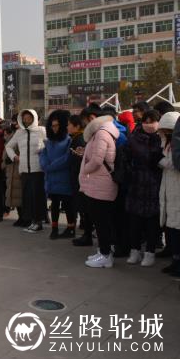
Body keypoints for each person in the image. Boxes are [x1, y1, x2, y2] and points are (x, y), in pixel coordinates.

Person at [124, 109, 163, 267]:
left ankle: (150, 252)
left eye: (151, 121)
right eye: (145, 121)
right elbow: (126, 156)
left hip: (155, 184)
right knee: (135, 220)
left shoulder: (161, 138)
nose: (148, 124)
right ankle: (135, 250)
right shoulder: (133, 137)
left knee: (152, 221)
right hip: (137, 183)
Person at [81, 114, 119, 268]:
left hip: (101, 184)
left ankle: (105, 255)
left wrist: (85, 168)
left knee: (101, 222)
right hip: (99, 182)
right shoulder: (103, 132)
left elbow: (97, 160)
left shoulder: (101, 133)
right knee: (101, 221)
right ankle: (103, 251)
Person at [5, 109, 47, 233]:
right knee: (27, 197)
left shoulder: (42, 131)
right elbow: (8, 146)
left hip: (38, 169)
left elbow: (50, 144)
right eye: (24, 118)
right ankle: (31, 221)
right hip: (24, 170)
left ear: (34, 118)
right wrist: (14, 157)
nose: (26, 120)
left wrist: (42, 151)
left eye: (29, 117)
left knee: (37, 197)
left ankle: (38, 222)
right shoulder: (19, 132)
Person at [39, 110, 74, 239]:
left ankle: (71, 228)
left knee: (68, 205)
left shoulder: (69, 140)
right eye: (52, 126)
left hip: (64, 179)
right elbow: (43, 155)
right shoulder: (49, 141)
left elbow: (67, 158)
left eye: (56, 125)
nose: (54, 128)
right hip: (52, 179)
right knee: (54, 205)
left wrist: (49, 167)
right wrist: (45, 165)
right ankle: (54, 228)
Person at [158, 112, 180, 277]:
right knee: (170, 226)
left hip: (176, 189)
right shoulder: (166, 142)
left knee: (176, 227)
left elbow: (174, 163)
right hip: (168, 188)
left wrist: (159, 161)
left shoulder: (175, 143)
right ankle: (174, 259)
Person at [68, 115, 91, 246]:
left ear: (77, 126)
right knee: (82, 207)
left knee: (84, 208)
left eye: (69, 124)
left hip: (80, 178)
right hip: (77, 176)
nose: (67, 127)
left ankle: (87, 234)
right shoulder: (76, 138)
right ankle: (85, 233)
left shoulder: (80, 139)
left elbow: (79, 160)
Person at [2, 126, 23, 226]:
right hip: (12, 169)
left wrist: (12, 158)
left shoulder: (22, 137)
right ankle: (21, 217)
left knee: (20, 195)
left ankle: (24, 217)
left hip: (19, 169)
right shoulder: (14, 137)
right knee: (15, 195)